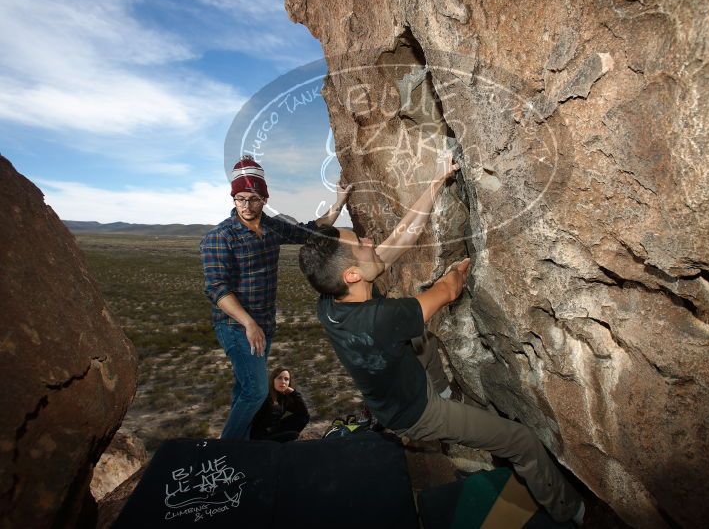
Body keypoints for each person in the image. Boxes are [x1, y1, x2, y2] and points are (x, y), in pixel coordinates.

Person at [298, 153, 585, 525]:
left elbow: (400, 237)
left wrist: (437, 181)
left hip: (393, 387)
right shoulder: (383, 318)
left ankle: (444, 390)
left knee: (422, 341)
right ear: (353, 274)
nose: (370, 239)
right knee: (521, 442)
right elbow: (448, 291)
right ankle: (570, 511)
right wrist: (461, 268)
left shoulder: (329, 299)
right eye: (361, 242)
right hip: (417, 413)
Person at [201, 154, 351, 440]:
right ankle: (227, 453)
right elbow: (216, 288)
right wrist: (248, 323)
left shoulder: (271, 227)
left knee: (244, 389)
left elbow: (310, 230)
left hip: (263, 324)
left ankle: (244, 443)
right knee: (257, 391)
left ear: (264, 198)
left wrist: (339, 202)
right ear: (233, 198)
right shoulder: (219, 237)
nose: (246, 205)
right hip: (236, 326)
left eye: (254, 199)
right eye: (240, 198)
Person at [250, 367, 310, 442]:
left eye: (286, 379)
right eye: (279, 378)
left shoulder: (284, 398)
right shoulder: (265, 396)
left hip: (274, 431)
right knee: (293, 435)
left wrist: (294, 393)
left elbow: (303, 413)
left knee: (303, 418)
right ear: (273, 380)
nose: (283, 382)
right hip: (260, 436)